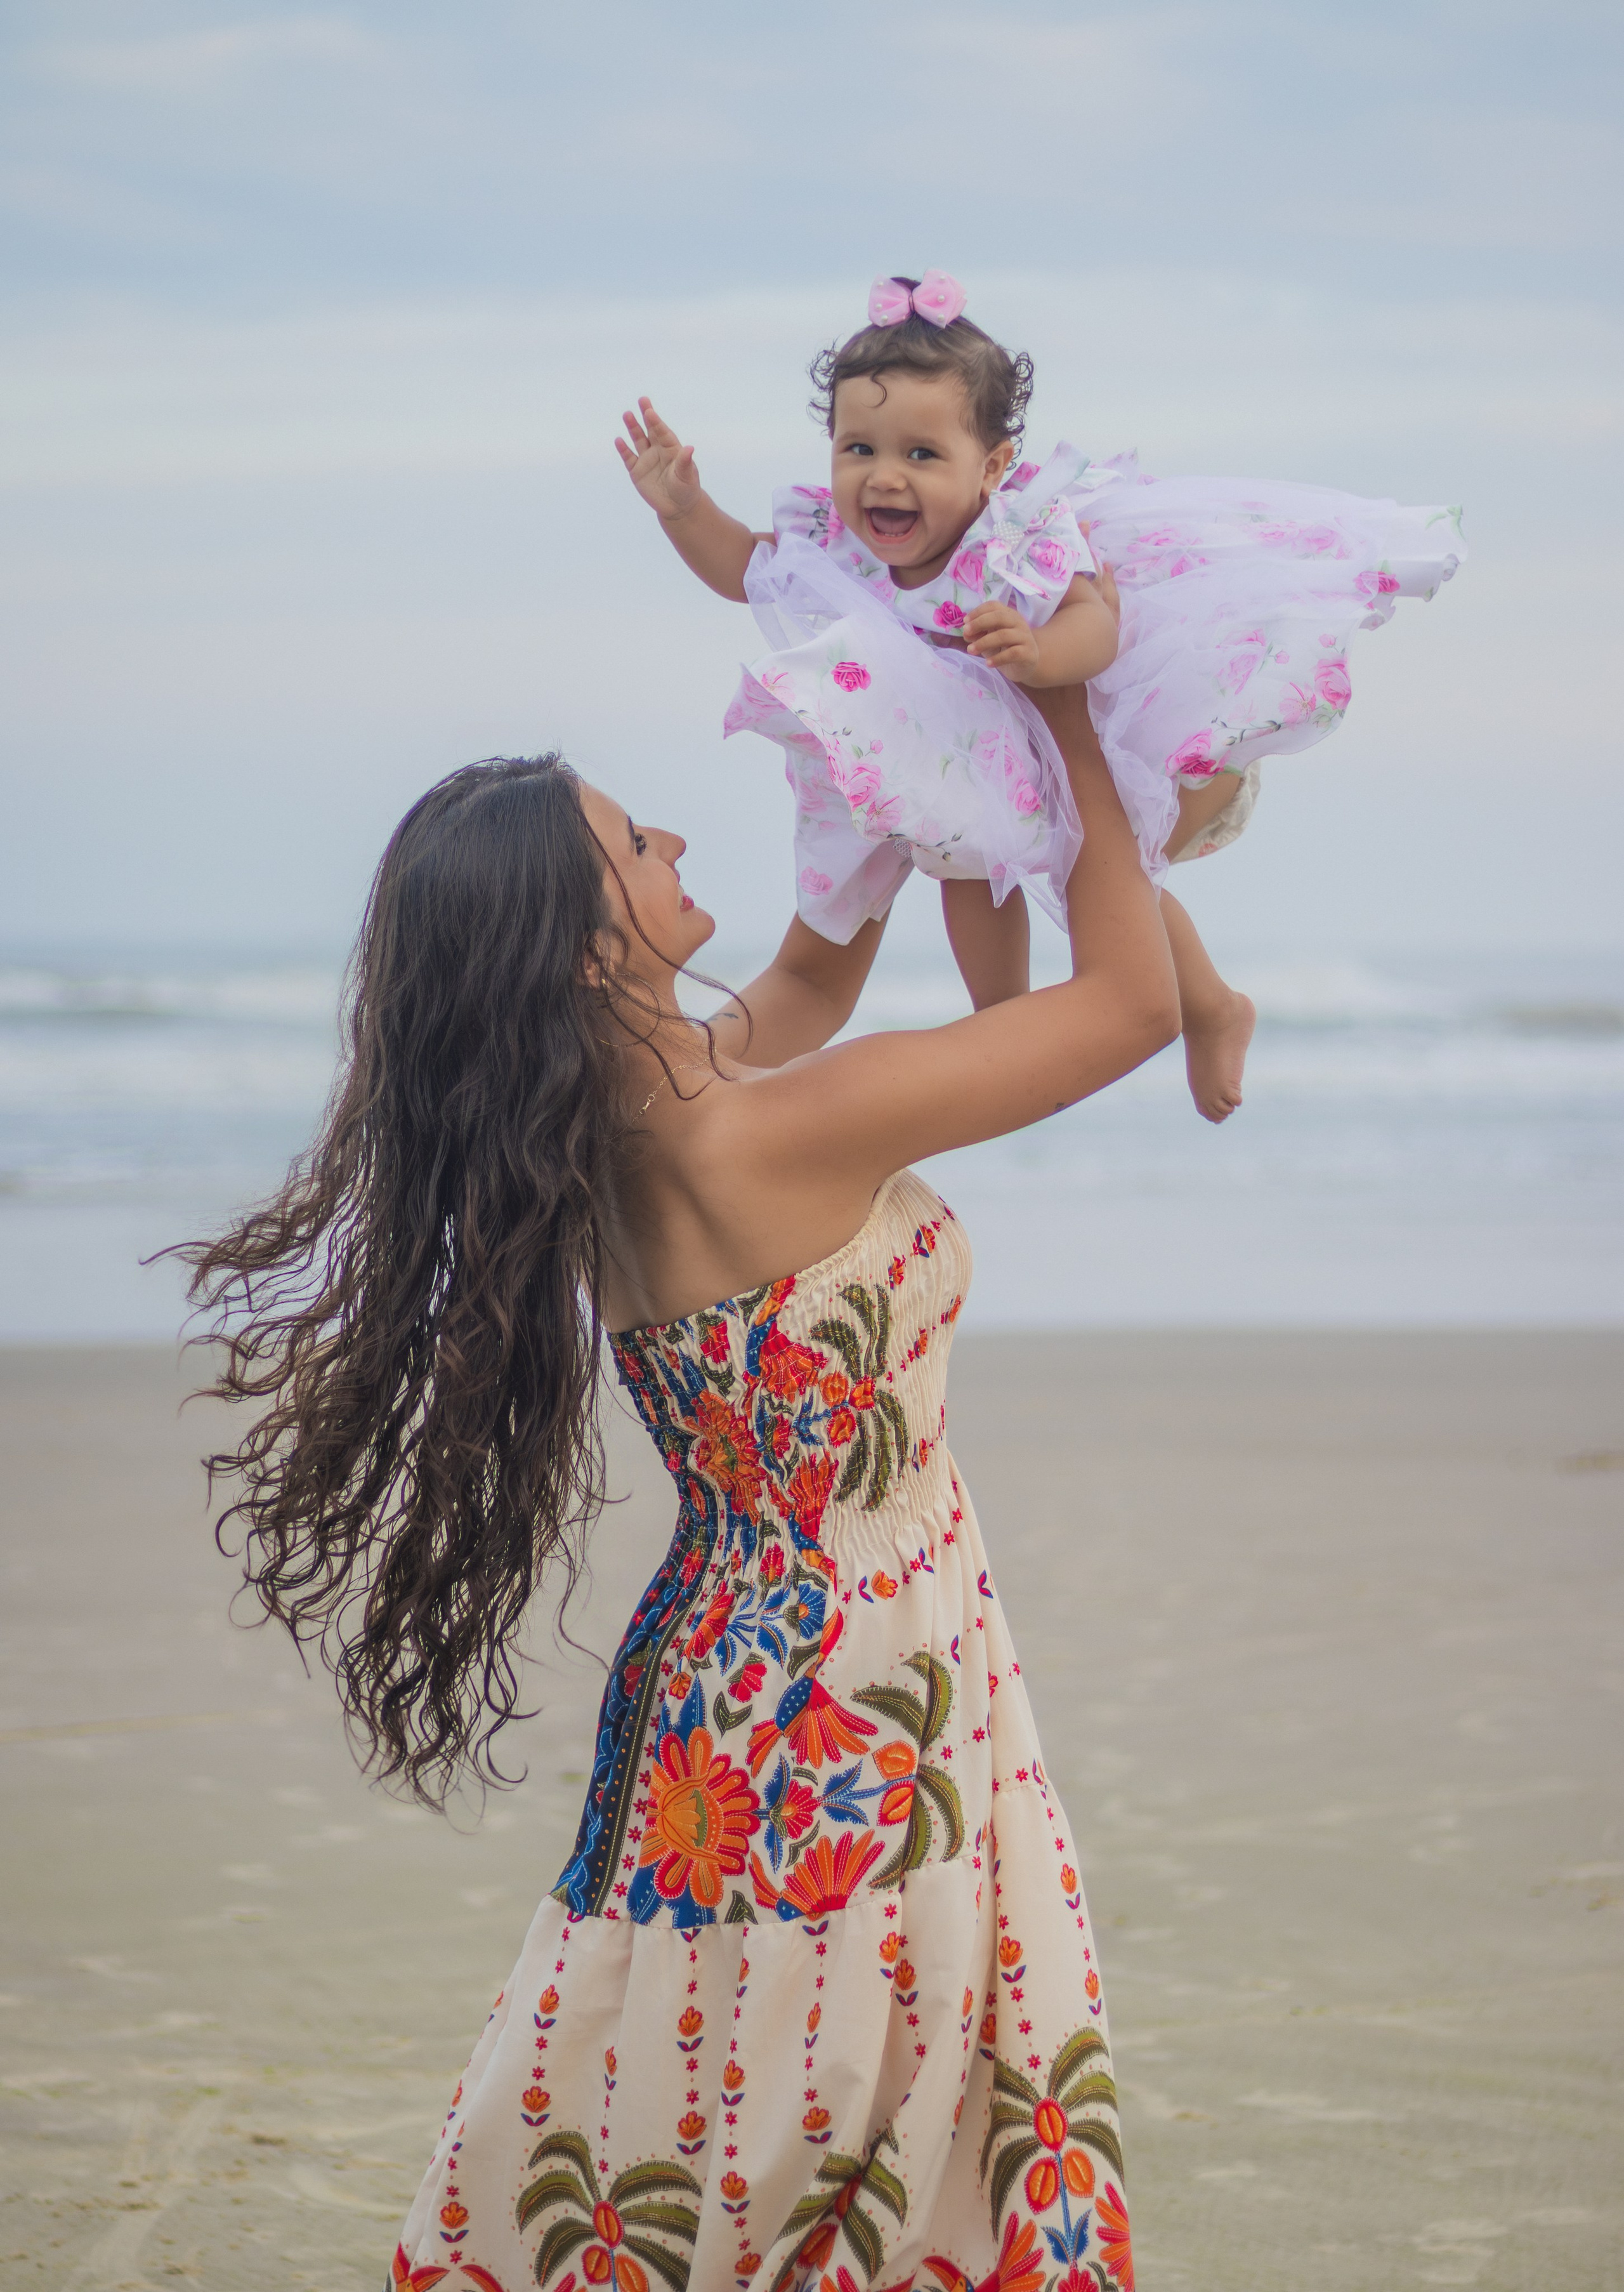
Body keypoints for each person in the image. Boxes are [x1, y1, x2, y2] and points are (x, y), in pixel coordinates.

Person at [184, 697, 1175, 2292]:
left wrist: (890, 772)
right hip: (858, 1684)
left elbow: (806, 974)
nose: (677, 843)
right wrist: (1061, 715)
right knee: (858, 2107)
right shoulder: (779, 1128)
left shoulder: (611, 1129)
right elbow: (1128, 1009)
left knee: (731, 2077)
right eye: (638, 843)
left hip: (728, 1677)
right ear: (588, 954)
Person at [618, 268, 1465, 1122]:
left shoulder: (1015, 537)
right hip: (930, 748)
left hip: (1033, 730)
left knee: (1073, 869)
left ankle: (1158, 1011)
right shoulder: (831, 542)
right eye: (859, 450)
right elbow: (747, 568)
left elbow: (1095, 623)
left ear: (991, 468)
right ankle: (1035, 1022)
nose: (884, 478)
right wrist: (684, 509)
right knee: (947, 870)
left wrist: (1039, 651)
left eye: (922, 454)